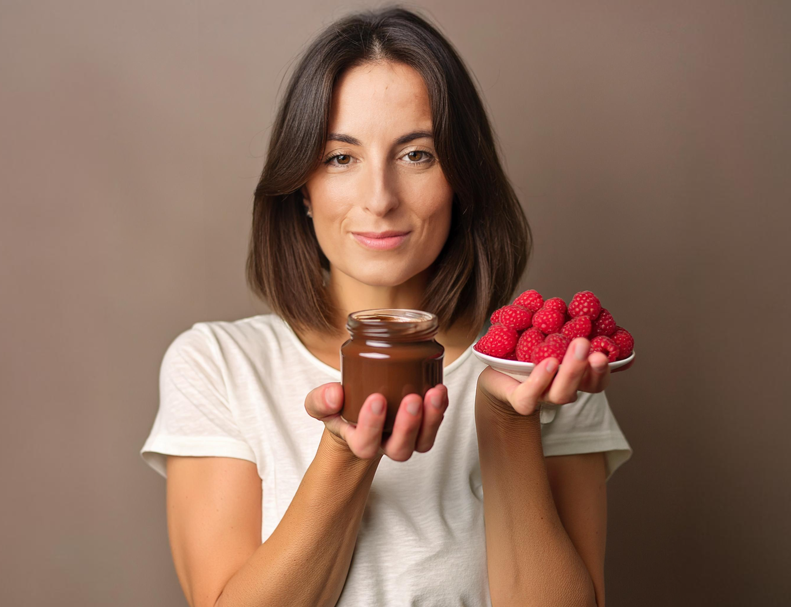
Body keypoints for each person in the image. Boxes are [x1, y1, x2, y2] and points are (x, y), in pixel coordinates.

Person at [140, 6, 632, 606]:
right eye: (340, 157)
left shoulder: (543, 377)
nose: (379, 199)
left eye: (416, 154)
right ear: (302, 185)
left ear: (462, 179)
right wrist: (345, 454)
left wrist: (509, 423)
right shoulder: (219, 366)